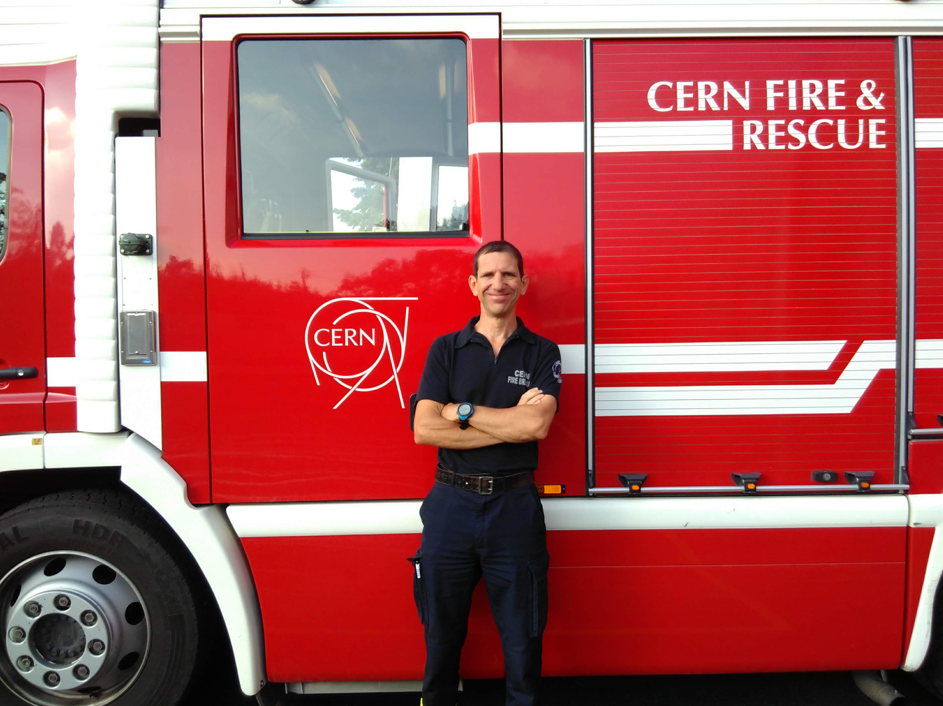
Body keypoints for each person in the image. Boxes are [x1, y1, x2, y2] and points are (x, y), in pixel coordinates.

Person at [412, 240, 562, 706]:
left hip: (514, 509)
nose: (500, 283)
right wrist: (507, 423)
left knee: (522, 643)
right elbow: (423, 430)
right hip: (450, 508)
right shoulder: (446, 350)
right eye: (490, 275)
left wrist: (462, 410)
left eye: (509, 275)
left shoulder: (542, 351)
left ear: (523, 284)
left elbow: (536, 424)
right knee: (441, 638)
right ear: (473, 284)